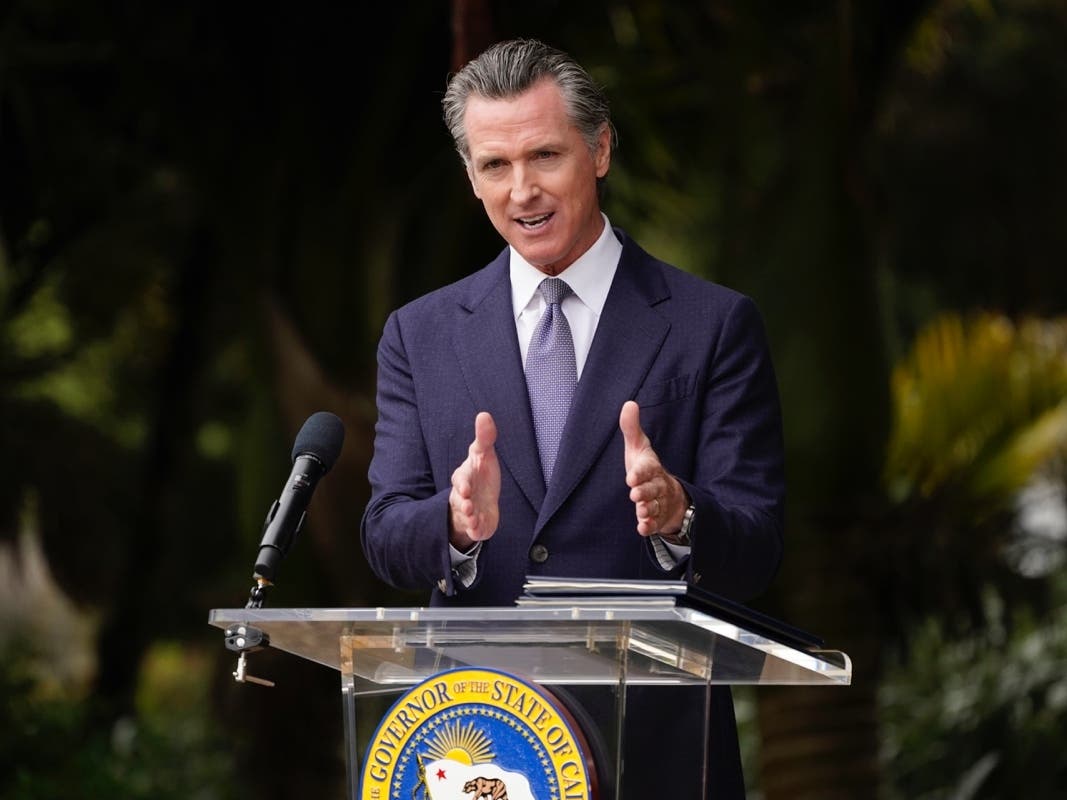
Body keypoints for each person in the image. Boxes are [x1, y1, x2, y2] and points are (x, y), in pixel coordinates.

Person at [360, 37, 785, 799]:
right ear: (470, 176)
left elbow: (756, 547)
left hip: (658, 755)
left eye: (545, 157)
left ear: (600, 150)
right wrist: (454, 524)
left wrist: (681, 513)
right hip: (475, 745)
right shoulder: (418, 335)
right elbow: (387, 533)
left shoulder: (711, 325)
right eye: (495, 166)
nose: (522, 191)